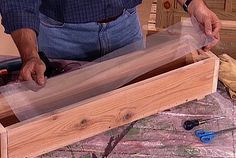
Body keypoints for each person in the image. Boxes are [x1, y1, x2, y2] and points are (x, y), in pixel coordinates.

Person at [0, 0, 221, 86]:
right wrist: (30, 55)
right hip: (64, 36)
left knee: (131, 107)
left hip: (125, 28)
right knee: (66, 116)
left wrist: (195, 5)